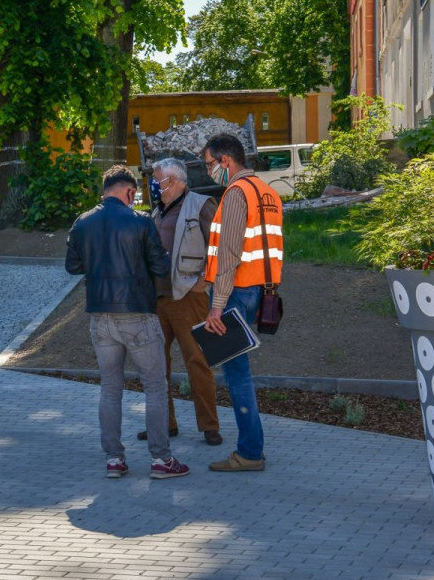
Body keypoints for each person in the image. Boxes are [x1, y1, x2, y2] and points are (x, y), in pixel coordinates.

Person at [66, 165, 188, 480]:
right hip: (137, 314)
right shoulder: (142, 222)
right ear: (130, 192)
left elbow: (72, 266)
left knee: (110, 388)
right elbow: (160, 267)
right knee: (155, 386)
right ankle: (161, 460)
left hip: (100, 316)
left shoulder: (82, 223)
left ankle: (114, 460)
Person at [200, 133, 284, 473]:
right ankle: (251, 449)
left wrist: (216, 306)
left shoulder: (235, 194)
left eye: (208, 165)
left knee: (238, 376)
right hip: (262, 292)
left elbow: (228, 255)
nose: (207, 172)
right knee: (240, 373)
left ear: (225, 161)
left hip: (234, 293)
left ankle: (250, 452)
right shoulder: (268, 192)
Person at [136, 158, 222, 446]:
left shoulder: (200, 204)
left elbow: (219, 246)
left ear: (173, 181)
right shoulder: (157, 211)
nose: (153, 186)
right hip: (157, 300)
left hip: (188, 298)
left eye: (157, 180)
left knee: (197, 361)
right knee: (156, 367)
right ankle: (164, 425)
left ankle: (210, 426)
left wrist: (206, 282)